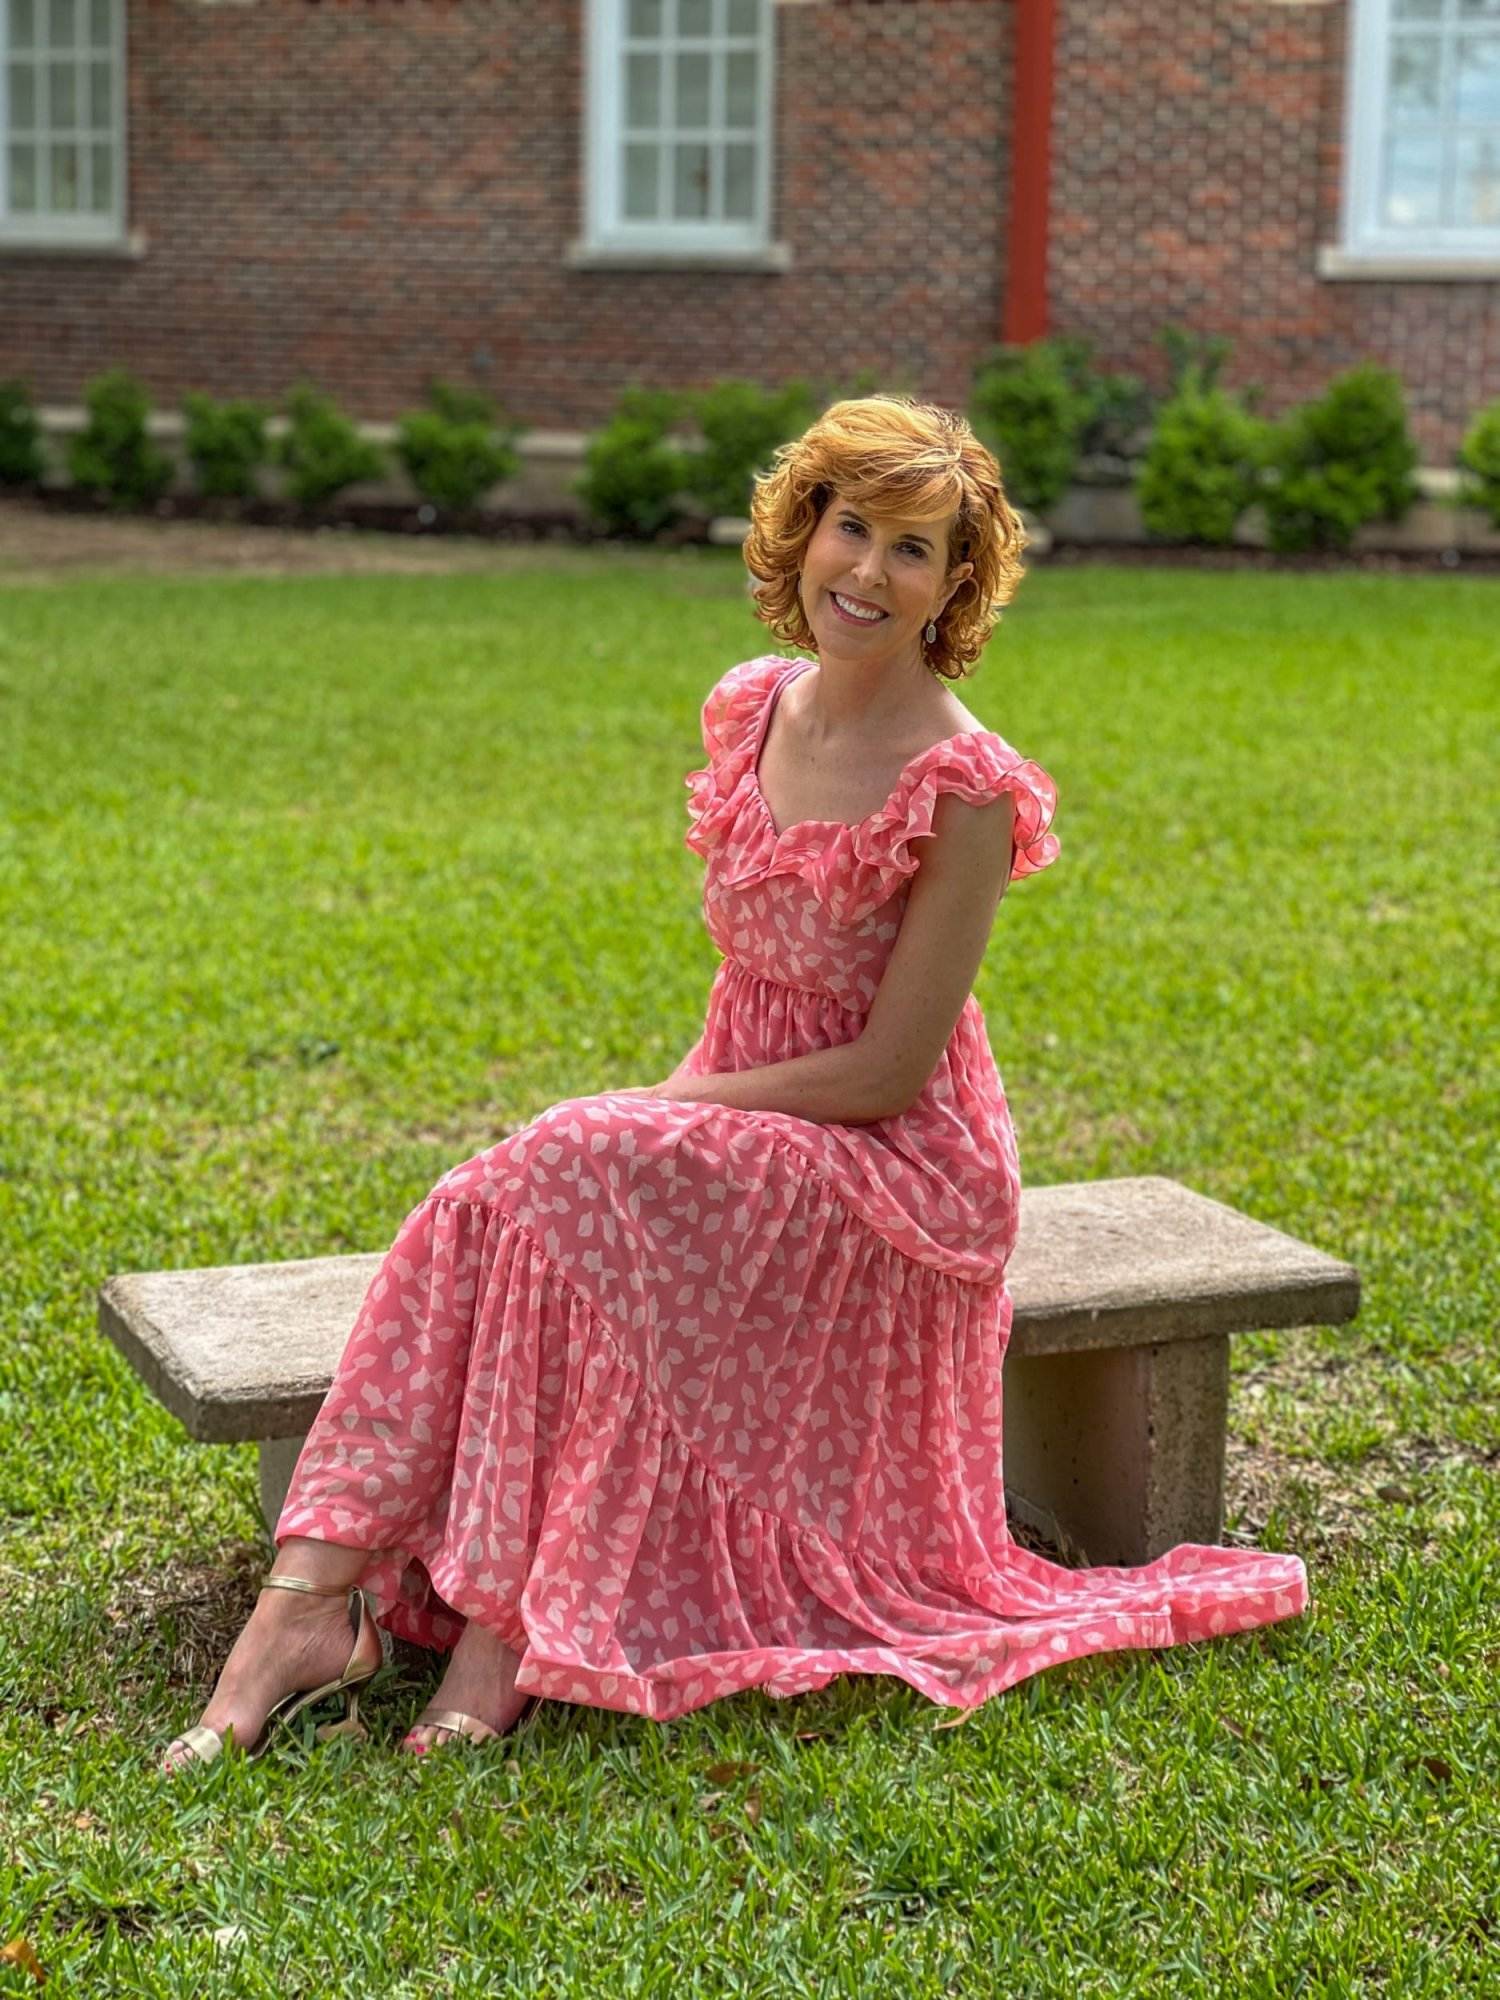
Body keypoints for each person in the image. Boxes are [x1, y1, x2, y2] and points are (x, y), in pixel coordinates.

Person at [162, 394, 1308, 1771]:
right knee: (514, 1194)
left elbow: (891, 1071)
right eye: (853, 528)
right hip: (758, 1119)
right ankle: (308, 1606)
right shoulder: (747, 705)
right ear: (804, 530)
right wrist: (648, 1129)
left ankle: (498, 1629)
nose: (868, 572)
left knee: (571, 1161)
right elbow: (735, 1017)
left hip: (902, 1173)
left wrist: (657, 1119)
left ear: (954, 586)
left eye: (913, 550)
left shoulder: (967, 783)